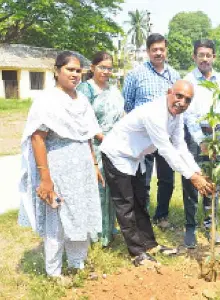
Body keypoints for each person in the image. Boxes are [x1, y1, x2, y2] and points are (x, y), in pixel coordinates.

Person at [100, 80, 215, 266]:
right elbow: (166, 149)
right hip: (118, 154)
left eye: (187, 100)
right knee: (126, 205)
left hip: (135, 156)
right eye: (179, 96)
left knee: (140, 202)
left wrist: (196, 170)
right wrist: (192, 177)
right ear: (169, 92)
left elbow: (180, 145)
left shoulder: (176, 115)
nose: (182, 102)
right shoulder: (154, 113)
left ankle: (149, 244)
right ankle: (137, 253)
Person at [18, 51, 103, 278]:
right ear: (57, 71)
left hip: (82, 168)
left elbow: (87, 135)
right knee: (58, 217)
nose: (75, 75)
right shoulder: (46, 101)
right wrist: (45, 178)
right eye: (70, 69)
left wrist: (94, 164)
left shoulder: (82, 100)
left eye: (78, 71)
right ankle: (54, 272)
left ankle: (77, 264)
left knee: (81, 214)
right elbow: (37, 138)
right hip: (57, 167)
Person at [122, 33, 181, 229]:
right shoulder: (135, 74)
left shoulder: (174, 76)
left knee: (166, 179)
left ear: (166, 51)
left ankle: (161, 216)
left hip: (165, 137)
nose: (158, 53)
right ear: (148, 52)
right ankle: (142, 217)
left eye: (161, 49)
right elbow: (128, 104)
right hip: (143, 138)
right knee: (142, 180)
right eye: (154, 49)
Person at [182, 39, 220, 248]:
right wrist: (200, 141)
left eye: (208, 55)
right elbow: (188, 114)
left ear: (214, 57)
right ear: (194, 57)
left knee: (213, 180)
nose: (204, 59)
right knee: (192, 180)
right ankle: (190, 226)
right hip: (194, 136)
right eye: (200, 55)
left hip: (216, 135)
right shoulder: (188, 80)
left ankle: (210, 224)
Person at [77, 51, 124, 247]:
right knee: (97, 188)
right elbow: (82, 119)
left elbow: (121, 115)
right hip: (94, 145)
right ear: (92, 68)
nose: (106, 71)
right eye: (102, 67)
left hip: (114, 145)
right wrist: (101, 136)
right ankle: (95, 233)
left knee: (112, 187)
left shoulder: (114, 89)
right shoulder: (85, 89)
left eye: (109, 68)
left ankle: (109, 230)